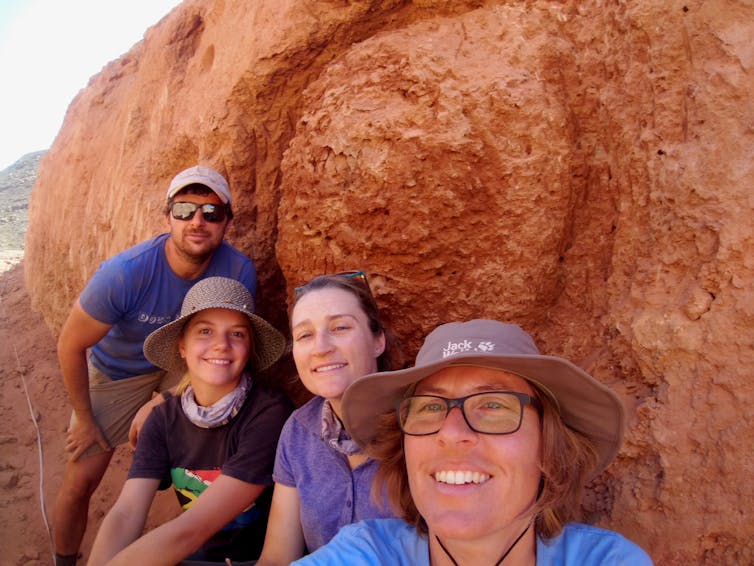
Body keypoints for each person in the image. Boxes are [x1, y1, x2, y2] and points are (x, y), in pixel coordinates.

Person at [294, 319, 654, 565]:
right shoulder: (367, 553)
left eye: (494, 405)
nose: (450, 433)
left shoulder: (606, 560)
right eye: (430, 407)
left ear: (549, 446)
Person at [53, 165, 258, 566]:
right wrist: (84, 416)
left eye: (212, 212)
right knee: (80, 480)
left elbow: (228, 346)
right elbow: (70, 346)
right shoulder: (124, 274)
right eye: (185, 210)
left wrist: (162, 400)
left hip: (184, 364)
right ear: (168, 217)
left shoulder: (237, 271)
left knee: (218, 408)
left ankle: (211, 533)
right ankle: (63, 559)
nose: (197, 221)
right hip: (118, 371)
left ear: (227, 223)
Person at [88, 276, 292, 565]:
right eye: (205, 331)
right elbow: (126, 513)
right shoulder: (162, 419)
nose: (221, 344)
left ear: (249, 349)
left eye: (237, 334)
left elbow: (191, 530)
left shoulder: (268, 414)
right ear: (182, 347)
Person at [255, 271, 403, 565]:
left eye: (340, 327)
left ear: (378, 341)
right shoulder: (298, 431)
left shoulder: (421, 429)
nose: (321, 348)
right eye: (305, 335)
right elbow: (277, 556)